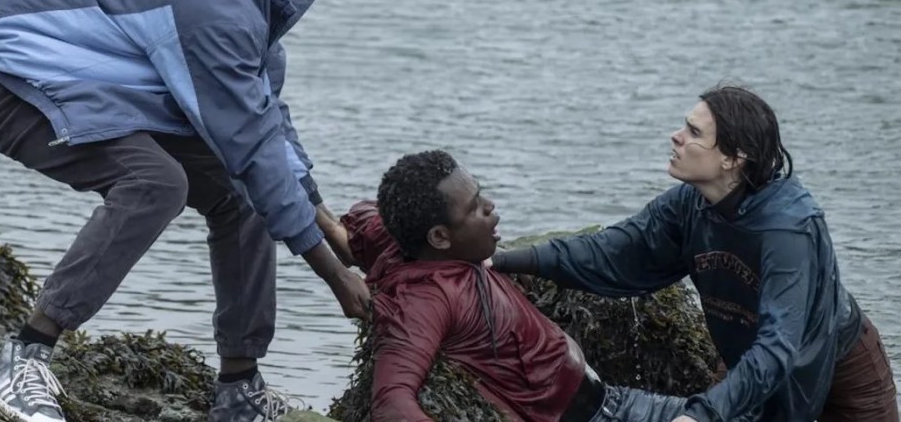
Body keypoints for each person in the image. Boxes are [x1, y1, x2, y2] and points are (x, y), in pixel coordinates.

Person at [0, 0, 369, 421]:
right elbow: (251, 142)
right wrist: (335, 275)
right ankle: (24, 352)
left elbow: (264, 115)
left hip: (103, 91)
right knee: (156, 182)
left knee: (242, 191)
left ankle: (239, 387)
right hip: (13, 86)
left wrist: (324, 218)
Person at [492, 85, 899, 422]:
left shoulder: (787, 228)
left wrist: (704, 414)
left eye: (693, 132)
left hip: (837, 359)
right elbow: (611, 249)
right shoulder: (688, 205)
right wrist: (511, 261)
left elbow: (780, 345)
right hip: (748, 355)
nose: (677, 136)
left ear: (732, 159)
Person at [355, 150, 690, 422]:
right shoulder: (427, 298)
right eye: (475, 207)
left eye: (480, 193)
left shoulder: (402, 237)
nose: (491, 208)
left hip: (617, 400)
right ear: (440, 237)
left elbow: (363, 215)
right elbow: (391, 404)